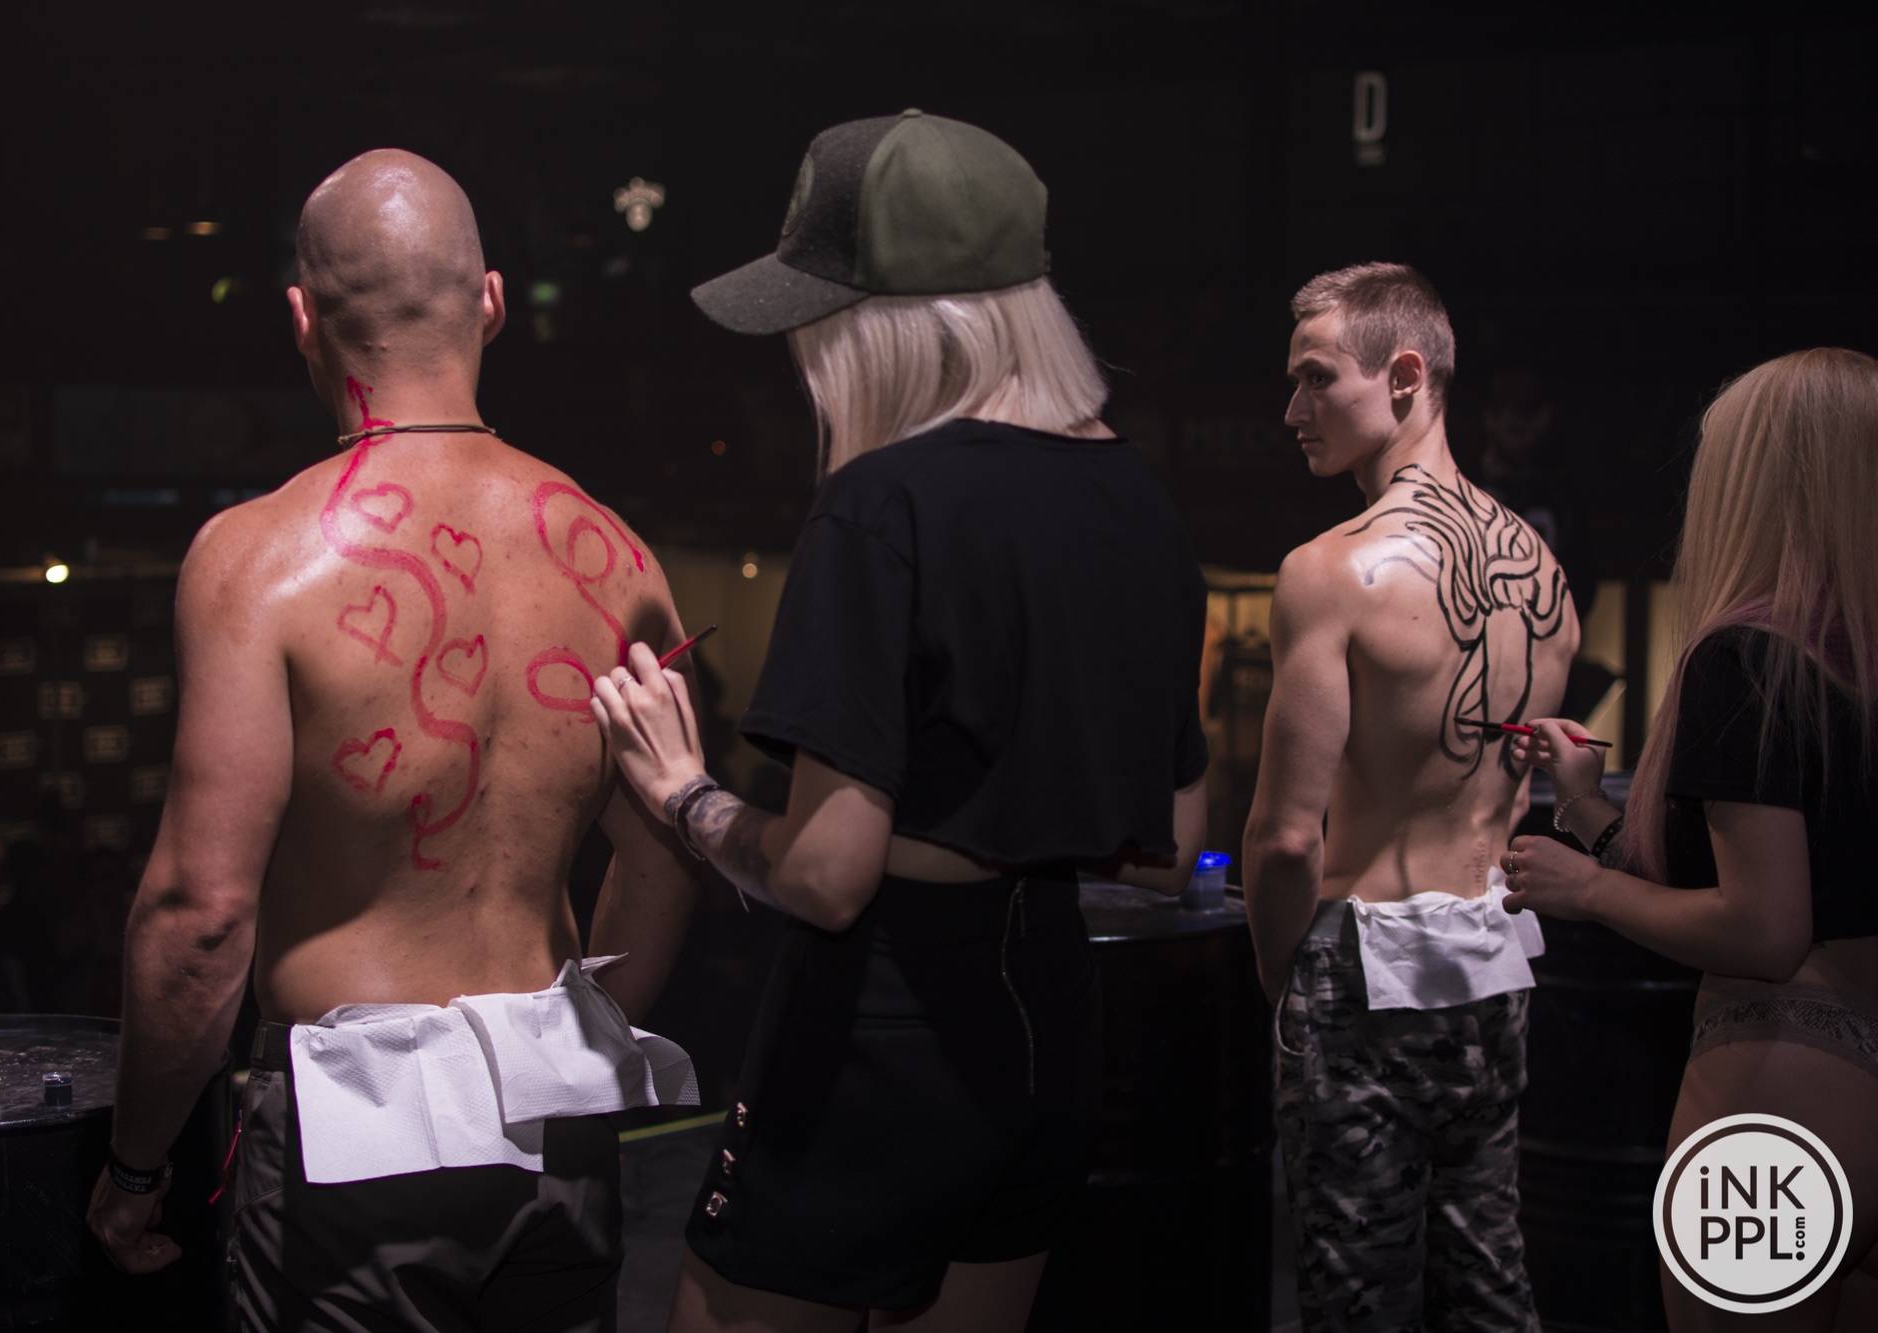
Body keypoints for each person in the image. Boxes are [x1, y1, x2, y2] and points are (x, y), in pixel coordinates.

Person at [589, 110, 1209, 1331]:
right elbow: (1171, 844)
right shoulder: (1135, 497)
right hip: (1052, 1025)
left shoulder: (882, 505)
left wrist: (683, 792)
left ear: (885, 327)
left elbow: (825, 877)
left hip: (877, 1034)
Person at [85, 149, 701, 1332]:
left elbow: (201, 916)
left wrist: (134, 1163)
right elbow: (670, 852)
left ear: (301, 318)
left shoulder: (256, 561)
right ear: (493, 302)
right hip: (560, 1124)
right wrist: (573, 1047)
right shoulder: (616, 555)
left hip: (350, 1139)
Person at [1502, 347, 1878, 1330]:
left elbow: (1763, 927)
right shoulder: (1852, 663)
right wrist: (1588, 808)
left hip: (1785, 1072)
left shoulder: (1747, 657)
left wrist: (1582, 887)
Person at [1244, 262, 1577, 1331]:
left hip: (1363, 965)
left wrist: (1285, 985)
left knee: (1357, 1302)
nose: (1292, 410)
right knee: (1487, 1283)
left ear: (1402, 375)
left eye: (1315, 378)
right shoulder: (1543, 572)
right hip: (1492, 961)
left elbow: (1285, 837)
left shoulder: (1329, 569)